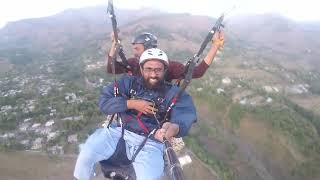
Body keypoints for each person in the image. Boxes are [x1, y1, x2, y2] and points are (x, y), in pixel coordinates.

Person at [74, 48, 197, 180]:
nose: (153, 74)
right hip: (119, 132)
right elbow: (105, 102)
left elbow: (185, 114)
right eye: (148, 69)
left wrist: (173, 128)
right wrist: (131, 104)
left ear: (165, 70)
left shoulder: (174, 93)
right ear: (141, 68)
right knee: (86, 155)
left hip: (151, 142)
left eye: (158, 70)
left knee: (151, 177)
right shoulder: (129, 83)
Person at [106, 31, 224, 82]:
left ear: (148, 49)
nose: (134, 53)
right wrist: (114, 44)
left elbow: (197, 72)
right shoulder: (133, 63)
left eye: (137, 49)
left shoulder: (169, 66)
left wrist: (215, 46)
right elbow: (111, 69)